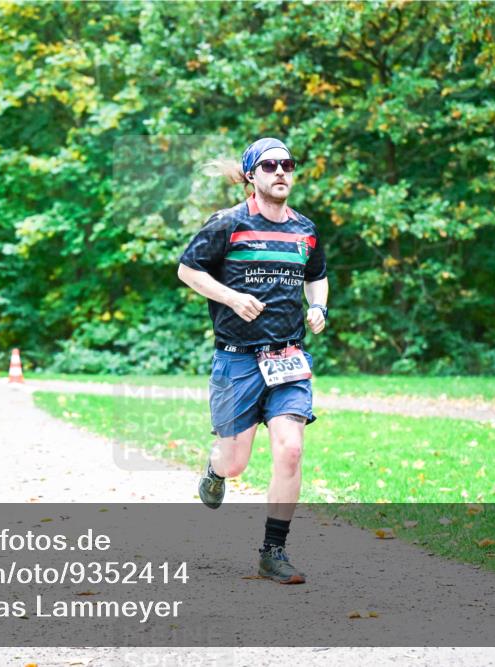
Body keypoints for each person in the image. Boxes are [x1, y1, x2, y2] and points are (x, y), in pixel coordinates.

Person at [177, 137, 329, 585]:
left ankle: (273, 551)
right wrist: (231, 297)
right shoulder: (227, 224)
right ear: (251, 176)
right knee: (235, 461)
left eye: (287, 164)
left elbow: (316, 277)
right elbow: (188, 270)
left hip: (288, 358)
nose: (280, 171)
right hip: (237, 361)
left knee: (291, 449)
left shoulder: (305, 229)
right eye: (269, 165)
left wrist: (318, 307)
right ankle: (215, 468)